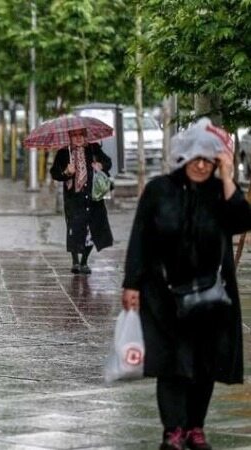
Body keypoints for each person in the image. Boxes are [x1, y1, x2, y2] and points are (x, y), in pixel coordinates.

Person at [121, 118, 251, 450]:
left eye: (209, 160)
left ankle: (196, 428)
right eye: (196, 158)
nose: (201, 165)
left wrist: (227, 176)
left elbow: (242, 221)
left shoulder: (219, 193)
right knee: (173, 365)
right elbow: (140, 238)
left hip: (211, 295)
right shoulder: (159, 190)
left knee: (205, 364)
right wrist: (131, 284)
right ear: (184, 158)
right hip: (164, 294)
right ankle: (173, 430)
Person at [50, 129, 113, 274]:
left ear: (85, 136)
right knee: (74, 229)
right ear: (70, 137)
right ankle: (75, 262)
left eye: (81, 135)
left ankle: (84, 261)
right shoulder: (64, 153)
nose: (78, 139)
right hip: (74, 199)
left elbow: (108, 162)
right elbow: (54, 173)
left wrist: (101, 166)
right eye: (74, 136)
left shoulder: (93, 148)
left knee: (92, 230)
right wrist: (66, 172)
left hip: (93, 197)